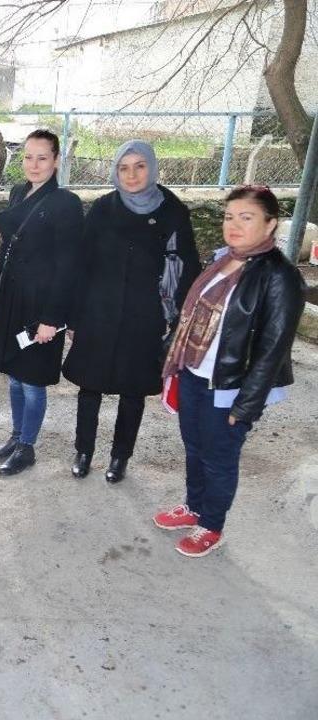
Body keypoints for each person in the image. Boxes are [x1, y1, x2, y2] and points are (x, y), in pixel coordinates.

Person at [155, 185, 304, 557]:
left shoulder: (280, 277)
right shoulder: (222, 260)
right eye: (229, 216)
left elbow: (272, 350)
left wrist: (247, 406)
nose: (234, 225)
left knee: (218, 457)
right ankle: (194, 507)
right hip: (193, 374)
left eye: (246, 217)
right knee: (194, 446)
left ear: (270, 225)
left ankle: (211, 524)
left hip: (230, 387)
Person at [62, 140, 200, 483]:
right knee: (89, 387)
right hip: (98, 312)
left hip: (145, 315)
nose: (132, 174)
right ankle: (84, 451)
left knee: (133, 390)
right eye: (124, 167)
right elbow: (81, 266)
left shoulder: (172, 211)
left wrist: (178, 321)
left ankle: (120, 456)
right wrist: (75, 317)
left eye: (139, 166)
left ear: (152, 168)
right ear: (115, 172)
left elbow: (186, 269)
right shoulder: (102, 209)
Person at [0, 129, 84, 476]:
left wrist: (53, 318)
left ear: (57, 161)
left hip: (42, 307)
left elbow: (70, 266)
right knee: (14, 374)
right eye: (28, 157)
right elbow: (8, 250)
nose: (34, 164)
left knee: (31, 380)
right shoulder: (17, 193)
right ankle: (16, 436)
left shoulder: (67, 204)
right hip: (13, 299)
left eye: (43, 157)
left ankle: (27, 447)